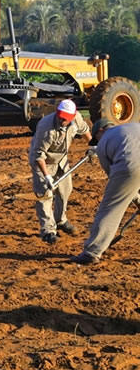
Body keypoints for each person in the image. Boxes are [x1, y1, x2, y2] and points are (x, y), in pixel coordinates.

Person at [72, 119, 140, 265]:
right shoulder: (133, 125)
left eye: (95, 138)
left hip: (129, 166)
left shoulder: (103, 143)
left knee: (110, 209)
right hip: (133, 163)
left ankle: (92, 252)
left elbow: (119, 182)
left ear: (101, 131)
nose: (96, 142)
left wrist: (135, 199)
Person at [29, 99, 92, 244]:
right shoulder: (46, 128)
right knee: (45, 195)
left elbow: (85, 131)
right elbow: (39, 155)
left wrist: (93, 145)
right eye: (60, 116)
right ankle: (48, 231)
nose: (62, 120)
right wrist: (47, 177)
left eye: (65, 118)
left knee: (65, 190)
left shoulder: (76, 118)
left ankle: (61, 221)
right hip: (42, 162)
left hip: (61, 160)